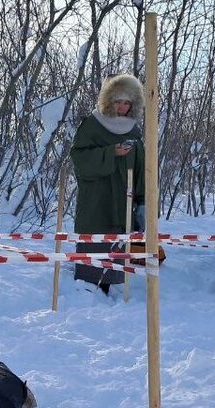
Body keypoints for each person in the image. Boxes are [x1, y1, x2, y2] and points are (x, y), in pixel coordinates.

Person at [70, 74, 146, 295]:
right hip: (97, 197)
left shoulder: (133, 129)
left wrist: (142, 200)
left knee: (117, 240)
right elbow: (79, 157)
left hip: (124, 196)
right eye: (118, 101)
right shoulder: (92, 124)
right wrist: (109, 153)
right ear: (109, 101)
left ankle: (111, 284)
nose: (122, 107)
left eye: (127, 102)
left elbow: (141, 166)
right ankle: (87, 287)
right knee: (95, 238)